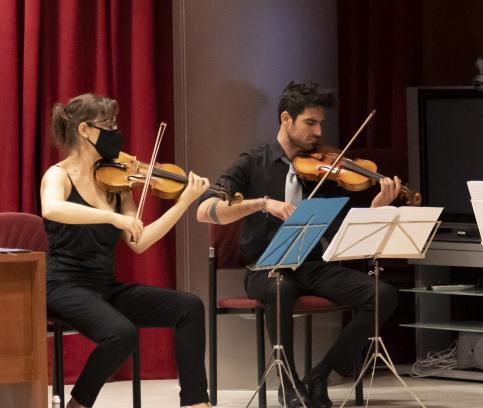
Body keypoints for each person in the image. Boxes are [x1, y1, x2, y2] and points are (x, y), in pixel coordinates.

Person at [196, 80, 401, 408]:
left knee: (382, 294)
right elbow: (206, 211)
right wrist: (261, 203)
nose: (318, 132)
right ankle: (288, 381)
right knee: (281, 288)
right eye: (310, 123)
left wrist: (374, 210)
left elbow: (339, 231)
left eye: (321, 123)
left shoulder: (328, 169)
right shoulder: (253, 163)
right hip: (266, 267)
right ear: (285, 119)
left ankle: (320, 374)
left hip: (315, 265)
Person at [40, 93, 212, 408]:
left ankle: (195, 402)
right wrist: (109, 215)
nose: (116, 134)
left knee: (189, 306)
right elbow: (52, 208)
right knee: (122, 333)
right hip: (63, 286)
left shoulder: (116, 183)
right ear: (84, 131)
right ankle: (78, 404)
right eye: (108, 126)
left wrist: (184, 203)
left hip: (105, 286)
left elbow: (140, 240)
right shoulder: (58, 175)